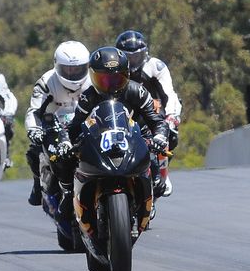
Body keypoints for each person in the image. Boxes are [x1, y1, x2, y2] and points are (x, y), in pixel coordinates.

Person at [58, 46, 168, 230]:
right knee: (68, 159)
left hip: (134, 136)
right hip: (100, 141)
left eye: (117, 79)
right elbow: (74, 126)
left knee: (157, 176)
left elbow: (157, 120)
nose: (110, 85)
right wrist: (66, 142)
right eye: (104, 79)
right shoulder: (88, 97)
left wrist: (160, 136)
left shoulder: (137, 92)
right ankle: (68, 193)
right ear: (93, 77)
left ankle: (148, 196)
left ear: (126, 75)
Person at [23, 40, 91, 206]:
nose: (73, 73)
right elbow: (34, 111)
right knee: (35, 152)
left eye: (78, 69)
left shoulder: (94, 80)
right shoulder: (46, 82)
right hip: (54, 126)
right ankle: (39, 183)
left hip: (87, 125)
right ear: (57, 65)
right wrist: (34, 130)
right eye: (68, 69)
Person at [115, 29, 181, 194]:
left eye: (136, 56)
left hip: (152, 110)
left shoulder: (156, 66)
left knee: (170, 133)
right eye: (128, 57)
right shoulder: (112, 69)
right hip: (120, 112)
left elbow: (169, 93)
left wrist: (171, 116)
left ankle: (162, 170)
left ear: (145, 53)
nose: (132, 61)